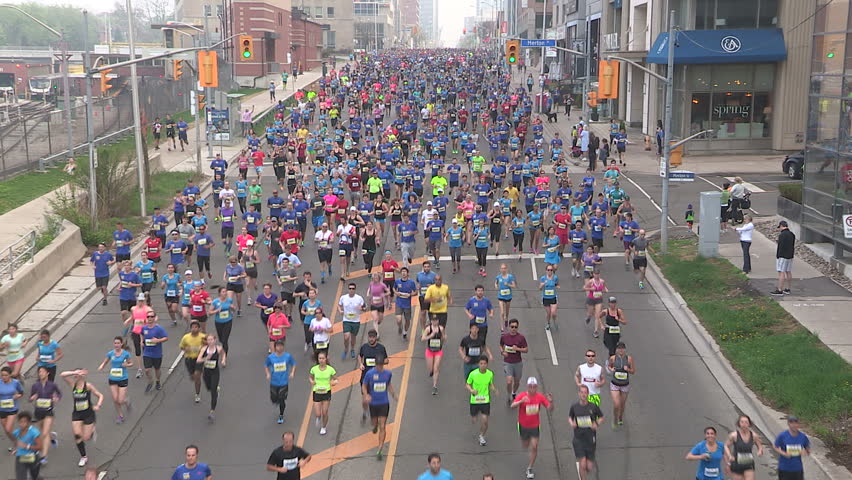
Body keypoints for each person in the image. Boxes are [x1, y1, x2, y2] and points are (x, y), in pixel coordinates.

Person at [510, 377, 554, 479]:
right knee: (525, 445)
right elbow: (512, 406)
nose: (532, 389)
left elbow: (550, 408)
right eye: (530, 387)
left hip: (535, 426)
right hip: (523, 426)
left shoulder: (540, 397)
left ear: (537, 387)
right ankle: (526, 441)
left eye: (534, 387)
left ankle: (529, 468)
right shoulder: (522, 395)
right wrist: (521, 401)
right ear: (527, 387)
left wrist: (551, 402)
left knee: (534, 446)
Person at [59, 369, 104, 467]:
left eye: (78, 374)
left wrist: (98, 405)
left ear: (82, 376)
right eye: (75, 375)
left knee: (86, 437)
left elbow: (100, 395)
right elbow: (62, 375)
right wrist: (74, 372)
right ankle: (83, 456)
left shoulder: (88, 386)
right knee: (77, 435)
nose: (75, 376)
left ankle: (92, 430)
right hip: (77, 414)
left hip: (88, 413)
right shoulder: (73, 385)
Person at [362, 354, 396, 460]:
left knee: (383, 426)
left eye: (381, 365)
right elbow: (364, 385)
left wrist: (394, 394)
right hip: (373, 404)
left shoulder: (388, 374)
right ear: (375, 364)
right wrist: (366, 394)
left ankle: (380, 448)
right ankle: (374, 426)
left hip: (384, 403)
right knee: (374, 423)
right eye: (378, 365)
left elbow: (388, 384)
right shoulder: (369, 374)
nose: (380, 367)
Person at [569, 385, 604, 480]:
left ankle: (582, 468)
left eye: (585, 392)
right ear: (579, 393)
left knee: (589, 467)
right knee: (583, 464)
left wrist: (596, 423)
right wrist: (572, 423)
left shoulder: (593, 407)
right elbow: (570, 417)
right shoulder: (574, 407)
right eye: (582, 392)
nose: (583, 394)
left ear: (588, 394)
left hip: (590, 439)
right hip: (578, 439)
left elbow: (601, 417)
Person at [28, 365, 60, 463]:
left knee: (44, 433)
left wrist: (57, 398)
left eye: (42, 371)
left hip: (49, 411)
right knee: (43, 432)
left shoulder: (52, 385)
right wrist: (32, 398)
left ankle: (44, 456)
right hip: (38, 412)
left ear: (47, 373)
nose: (40, 373)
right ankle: (52, 438)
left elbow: (59, 393)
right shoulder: (35, 385)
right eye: (39, 372)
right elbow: (30, 398)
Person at [97, 337, 132, 424]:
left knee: (120, 400)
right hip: (113, 378)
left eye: (118, 343)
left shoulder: (126, 354)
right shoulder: (110, 353)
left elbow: (131, 363)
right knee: (115, 399)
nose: (116, 345)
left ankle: (126, 401)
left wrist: (126, 365)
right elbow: (105, 361)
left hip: (123, 378)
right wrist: (101, 366)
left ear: (121, 344)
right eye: (115, 343)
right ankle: (120, 416)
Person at [466, 355, 497, 447]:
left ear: (487, 364)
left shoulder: (490, 374)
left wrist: (494, 389)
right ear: (478, 364)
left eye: (484, 364)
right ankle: (475, 415)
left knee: (485, 421)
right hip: (475, 400)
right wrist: (471, 390)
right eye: (481, 363)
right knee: (474, 419)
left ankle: (481, 436)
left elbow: (490, 384)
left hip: (485, 400)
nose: (483, 365)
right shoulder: (473, 374)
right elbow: (467, 384)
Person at [196, 333, 226, 422]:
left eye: (211, 339)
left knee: (213, 392)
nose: (210, 341)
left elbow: (223, 354)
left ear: (215, 340)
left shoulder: (219, 348)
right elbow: (198, 360)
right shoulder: (204, 349)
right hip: (206, 372)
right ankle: (215, 388)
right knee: (208, 388)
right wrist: (206, 358)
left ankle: (212, 411)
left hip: (215, 372)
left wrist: (223, 360)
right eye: (208, 340)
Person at [265, 339, 296, 424]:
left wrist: (292, 372)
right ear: (275, 347)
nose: (280, 347)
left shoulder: (287, 356)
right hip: (274, 382)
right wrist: (268, 374)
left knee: (282, 399)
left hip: (284, 382)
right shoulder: (271, 357)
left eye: (281, 346)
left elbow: (293, 364)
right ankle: (276, 400)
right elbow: (266, 365)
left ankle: (281, 414)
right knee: (274, 399)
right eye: (278, 346)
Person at [725, 414, 765, 480]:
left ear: (749, 424)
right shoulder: (734, 435)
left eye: (746, 422)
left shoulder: (754, 435)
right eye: (742, 422)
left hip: (748, 463)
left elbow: (759, 445)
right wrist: (729, 455)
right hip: (736, 463)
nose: (744, 424)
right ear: (739, 423)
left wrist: (760, 451)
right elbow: (726, 445)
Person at [308, 351, 338, 435]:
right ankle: (318, 418)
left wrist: (334, 382)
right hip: (317, 392)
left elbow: (336, 379)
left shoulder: (330, 369)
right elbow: (310, 377)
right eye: (320, 358)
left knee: (325, 412)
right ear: (318, 359)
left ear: (326, 359)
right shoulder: (314, 369)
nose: (321, 360)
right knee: (318, 413)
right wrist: (312, 381)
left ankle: (323, 427)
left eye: (323, 358)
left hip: (326, 392)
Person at [773, 416, 810, 480]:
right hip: (784, 468)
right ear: (788, 424)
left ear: (798, 424)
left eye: (796, 423)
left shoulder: (803, 437)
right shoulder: (782, 436)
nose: (794, 425)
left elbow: (808, 449)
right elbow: (775, 447)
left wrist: (805, 452)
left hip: (797, 468)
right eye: (791, 423)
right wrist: (784, 453)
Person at [499, 318, 528, 401]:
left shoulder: (521, 338)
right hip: (508, 362)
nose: (514, 329)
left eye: (515, 327)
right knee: (509, 381)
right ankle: (508, 394)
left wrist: (518, 349)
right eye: (512, 327)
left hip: (518, 362)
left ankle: (514, 392)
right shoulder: (505, 337)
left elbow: (526, 350)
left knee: (517, 382)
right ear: (509, 327)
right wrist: (502, 352)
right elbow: (501, 345)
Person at [607, 342, 634, 427]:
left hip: (625, 385)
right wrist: (611, 369)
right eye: (619, 348)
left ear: (625, 349)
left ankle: (620, 417)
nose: (621, 350)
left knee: (622, 405)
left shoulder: (629, 359)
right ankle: (615, 418)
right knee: (616, 404)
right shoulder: (613, 358)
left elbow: (633, 371)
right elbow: (609, 366)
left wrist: (628, 369)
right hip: (615, 384)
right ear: (617, 350)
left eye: (622, 348)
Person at [141, 312, 169, 393]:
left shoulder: (159, 328)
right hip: (147, 352)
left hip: (157, 353)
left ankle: (158, 381)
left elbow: (166, 338)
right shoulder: (144, 328)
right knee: (147, 370)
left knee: (157, 369)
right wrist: (141, 341)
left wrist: (158, 340)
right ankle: (150, 381)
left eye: (151, 316)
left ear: (154, 318)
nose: (150, 318)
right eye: (148, 317)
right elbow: (141, 334)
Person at [179, 321, 205, 404]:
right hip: (189, 359)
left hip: (199, 359)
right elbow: (181, 347)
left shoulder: (203, 337)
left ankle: (197, 394)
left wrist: (203, 349)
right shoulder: (186, 337)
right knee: (193, 376)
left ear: (199, 328)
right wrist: (185, 349)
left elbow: (207, 347)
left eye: (196, 327)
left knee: (197, 376)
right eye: (192, 327)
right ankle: (191, 375)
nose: (194, 329)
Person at [420, 314, 446, 395]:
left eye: (436, 320)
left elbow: (443, 338)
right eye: (433, 320)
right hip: (430, 351)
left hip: (438, 350)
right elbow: (422, 339)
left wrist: (444, 338)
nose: (435, 322)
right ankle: (431, 371)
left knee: (436, 368)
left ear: (438, 321)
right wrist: (430, 336)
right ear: (431, 321)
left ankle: (434, 386)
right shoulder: (428, 329)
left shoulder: (441, 328)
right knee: (431, 368)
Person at [12, 411, 42, 479]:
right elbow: (16, 443)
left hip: (33, 457)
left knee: (34, 476)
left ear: (29, 422)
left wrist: (27, 446)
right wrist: (16, 449)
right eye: (20, 422)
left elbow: (40, 447)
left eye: (24, 422)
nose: (22, 424)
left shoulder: (34, 432)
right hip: (20, 457)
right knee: (20, 477)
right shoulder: (16, 432)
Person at [772, 220, 795, 296]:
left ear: (781, 226)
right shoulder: (792, 234)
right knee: (788, 271)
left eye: (780, 227)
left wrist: (778, 256)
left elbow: (780, 246)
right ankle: (788, 288)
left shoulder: (782, 235)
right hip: (790, 255)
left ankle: (780, 289)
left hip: (782, 256)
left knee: (781, 272)